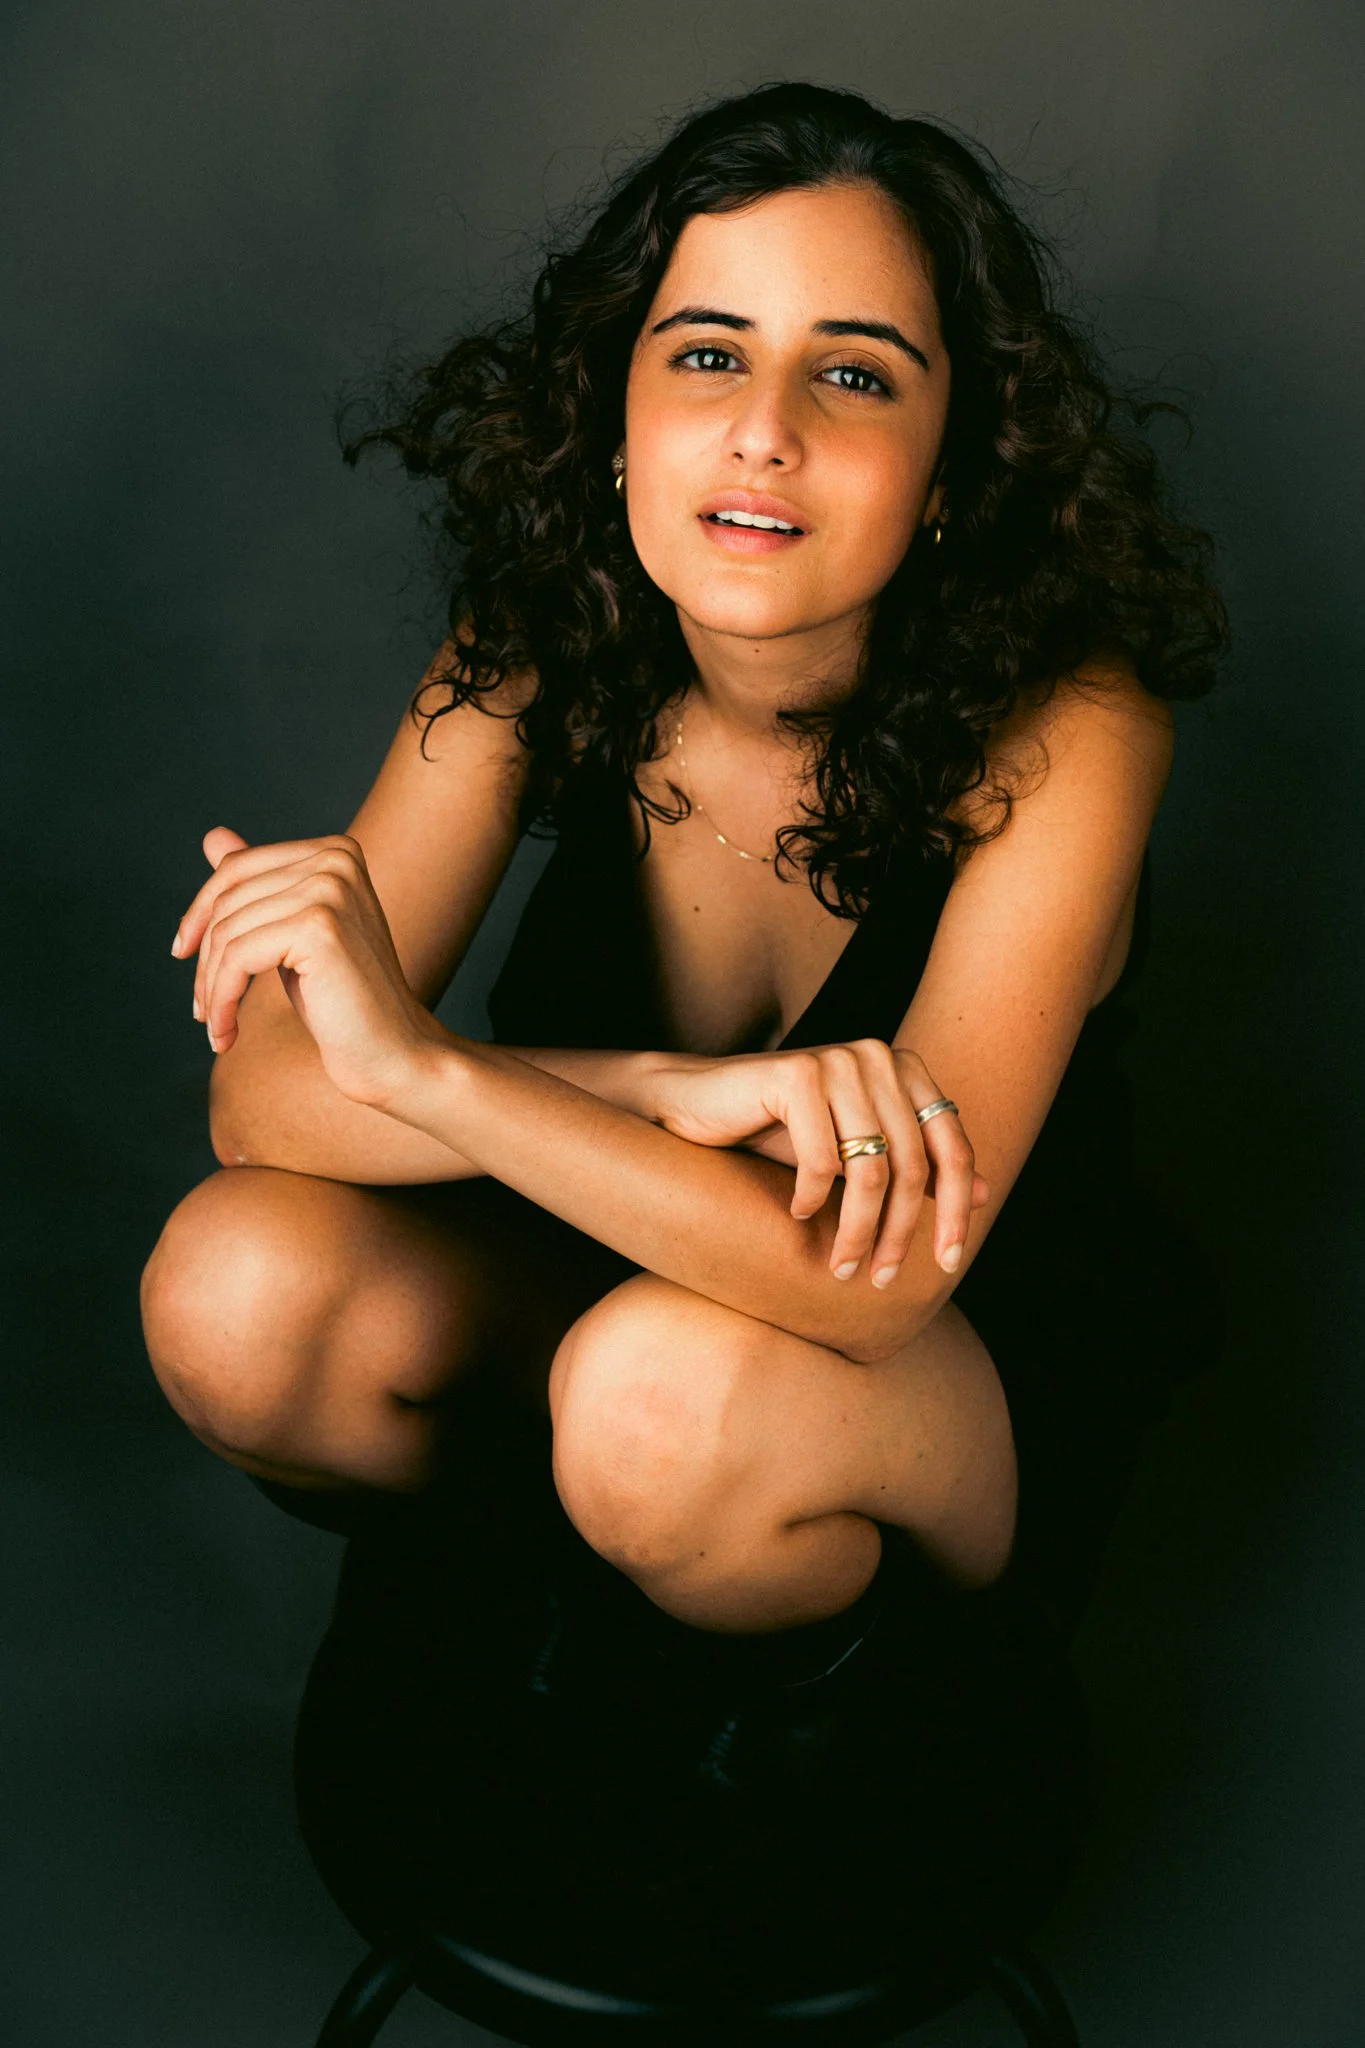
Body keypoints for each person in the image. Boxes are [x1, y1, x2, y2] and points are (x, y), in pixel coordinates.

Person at [140, 83, 1228, 1671]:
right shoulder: (537, 647)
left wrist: (430, 1070)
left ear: (950, 471)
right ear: (620, 411)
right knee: (238, 1289)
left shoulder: (1073, 723)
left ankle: (815, 1746)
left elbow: (879, 1281)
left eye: (854, 375)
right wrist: (659, 1086)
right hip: (598, 1325)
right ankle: (561, 1643)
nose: (763, 429)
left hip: (933, 1373)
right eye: (707, 352)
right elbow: (265, 1110)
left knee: (659, 1394)